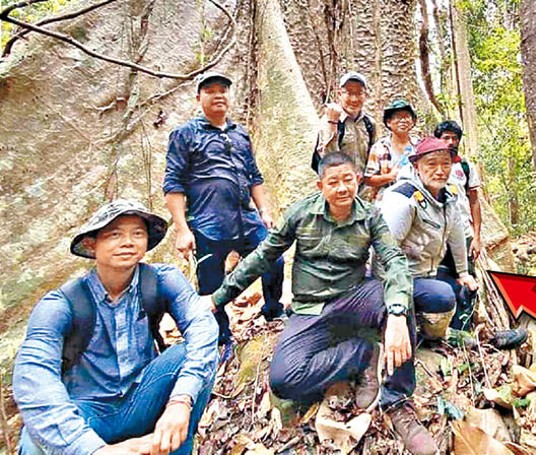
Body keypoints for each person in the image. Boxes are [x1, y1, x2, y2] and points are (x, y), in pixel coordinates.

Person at [211, 152, 438, 455]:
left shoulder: (370, 216)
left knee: (397, 295)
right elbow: (263, 256)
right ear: (321, 186)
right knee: (284, 380)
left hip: (355, 298)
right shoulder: (301, 213)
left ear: (358, 179)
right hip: (310, 310)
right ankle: (362, 353)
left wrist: (397, 314)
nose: (342, 188)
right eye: (333, 182)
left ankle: (396, 400)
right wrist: (218, 298)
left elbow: (394, 260)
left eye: (348, 179)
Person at [12, 200, 219, 455]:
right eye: (114, 234)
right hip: (87, 411)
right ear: (91, 244)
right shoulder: (61, 304)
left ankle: (176, 449)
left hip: (141, 397)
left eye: (138, 233)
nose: (128, 242)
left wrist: (181, 400)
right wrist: (94, 450)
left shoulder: (161, 280)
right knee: (35, 440)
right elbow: (34, 376)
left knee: (192, 353)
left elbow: (202, 325)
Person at [163, 71, 284, 349]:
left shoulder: (240, 134)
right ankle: (221, 337)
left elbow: (254, 176)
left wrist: (263, 210)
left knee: (273, 259)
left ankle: (273, 311)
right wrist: (182, 229)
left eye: (223, 90)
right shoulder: (185, 135)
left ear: (230, 96)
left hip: (246, 218)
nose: (218, 95)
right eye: (210, 90)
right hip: (208, 222)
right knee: (210, 282)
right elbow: (173, 184)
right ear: (199, 98)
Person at [433, 121, 527, 346]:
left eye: (454, 138)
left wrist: (477, 236)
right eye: (445, 137)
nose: (450, 142)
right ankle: (443, 333)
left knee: (466, 280)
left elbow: (474, 202)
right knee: (438, 278)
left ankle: (464, 331)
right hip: (435, 234)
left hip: (463, 233)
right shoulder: (430, 166)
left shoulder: (464, 166)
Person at [380, 137, 479, 340]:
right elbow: (384, 250)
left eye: (446, 164)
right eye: (431, 164)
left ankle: (456, 335)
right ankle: (433, 335)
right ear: (416, 166)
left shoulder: (449, 197)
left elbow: (456, 235)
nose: (440, 170)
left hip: (427, 272)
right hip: (401, 279)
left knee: (466, 288)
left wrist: (463, 272)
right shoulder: (403, 199)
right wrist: (390, 298)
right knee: (442, 295)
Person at [312, 71, 377, 189]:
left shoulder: (369, 123)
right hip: (339, 188)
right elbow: (328, 158)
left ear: (365, 95)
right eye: (349, 93)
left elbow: (373, 155)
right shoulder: (330, 121)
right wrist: (332, 124)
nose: (354, 99)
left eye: (359, 93)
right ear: (339, 94)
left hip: (364, 190)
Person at [364, 99, 418, 203]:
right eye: (398, 117)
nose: (403, 121)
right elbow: (368, 180)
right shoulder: (379, 147)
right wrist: (390, 177)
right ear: (388, 122)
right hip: (386, 201)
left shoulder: (419, 146)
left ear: (413, 122)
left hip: (415, 200)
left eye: (407, 116)